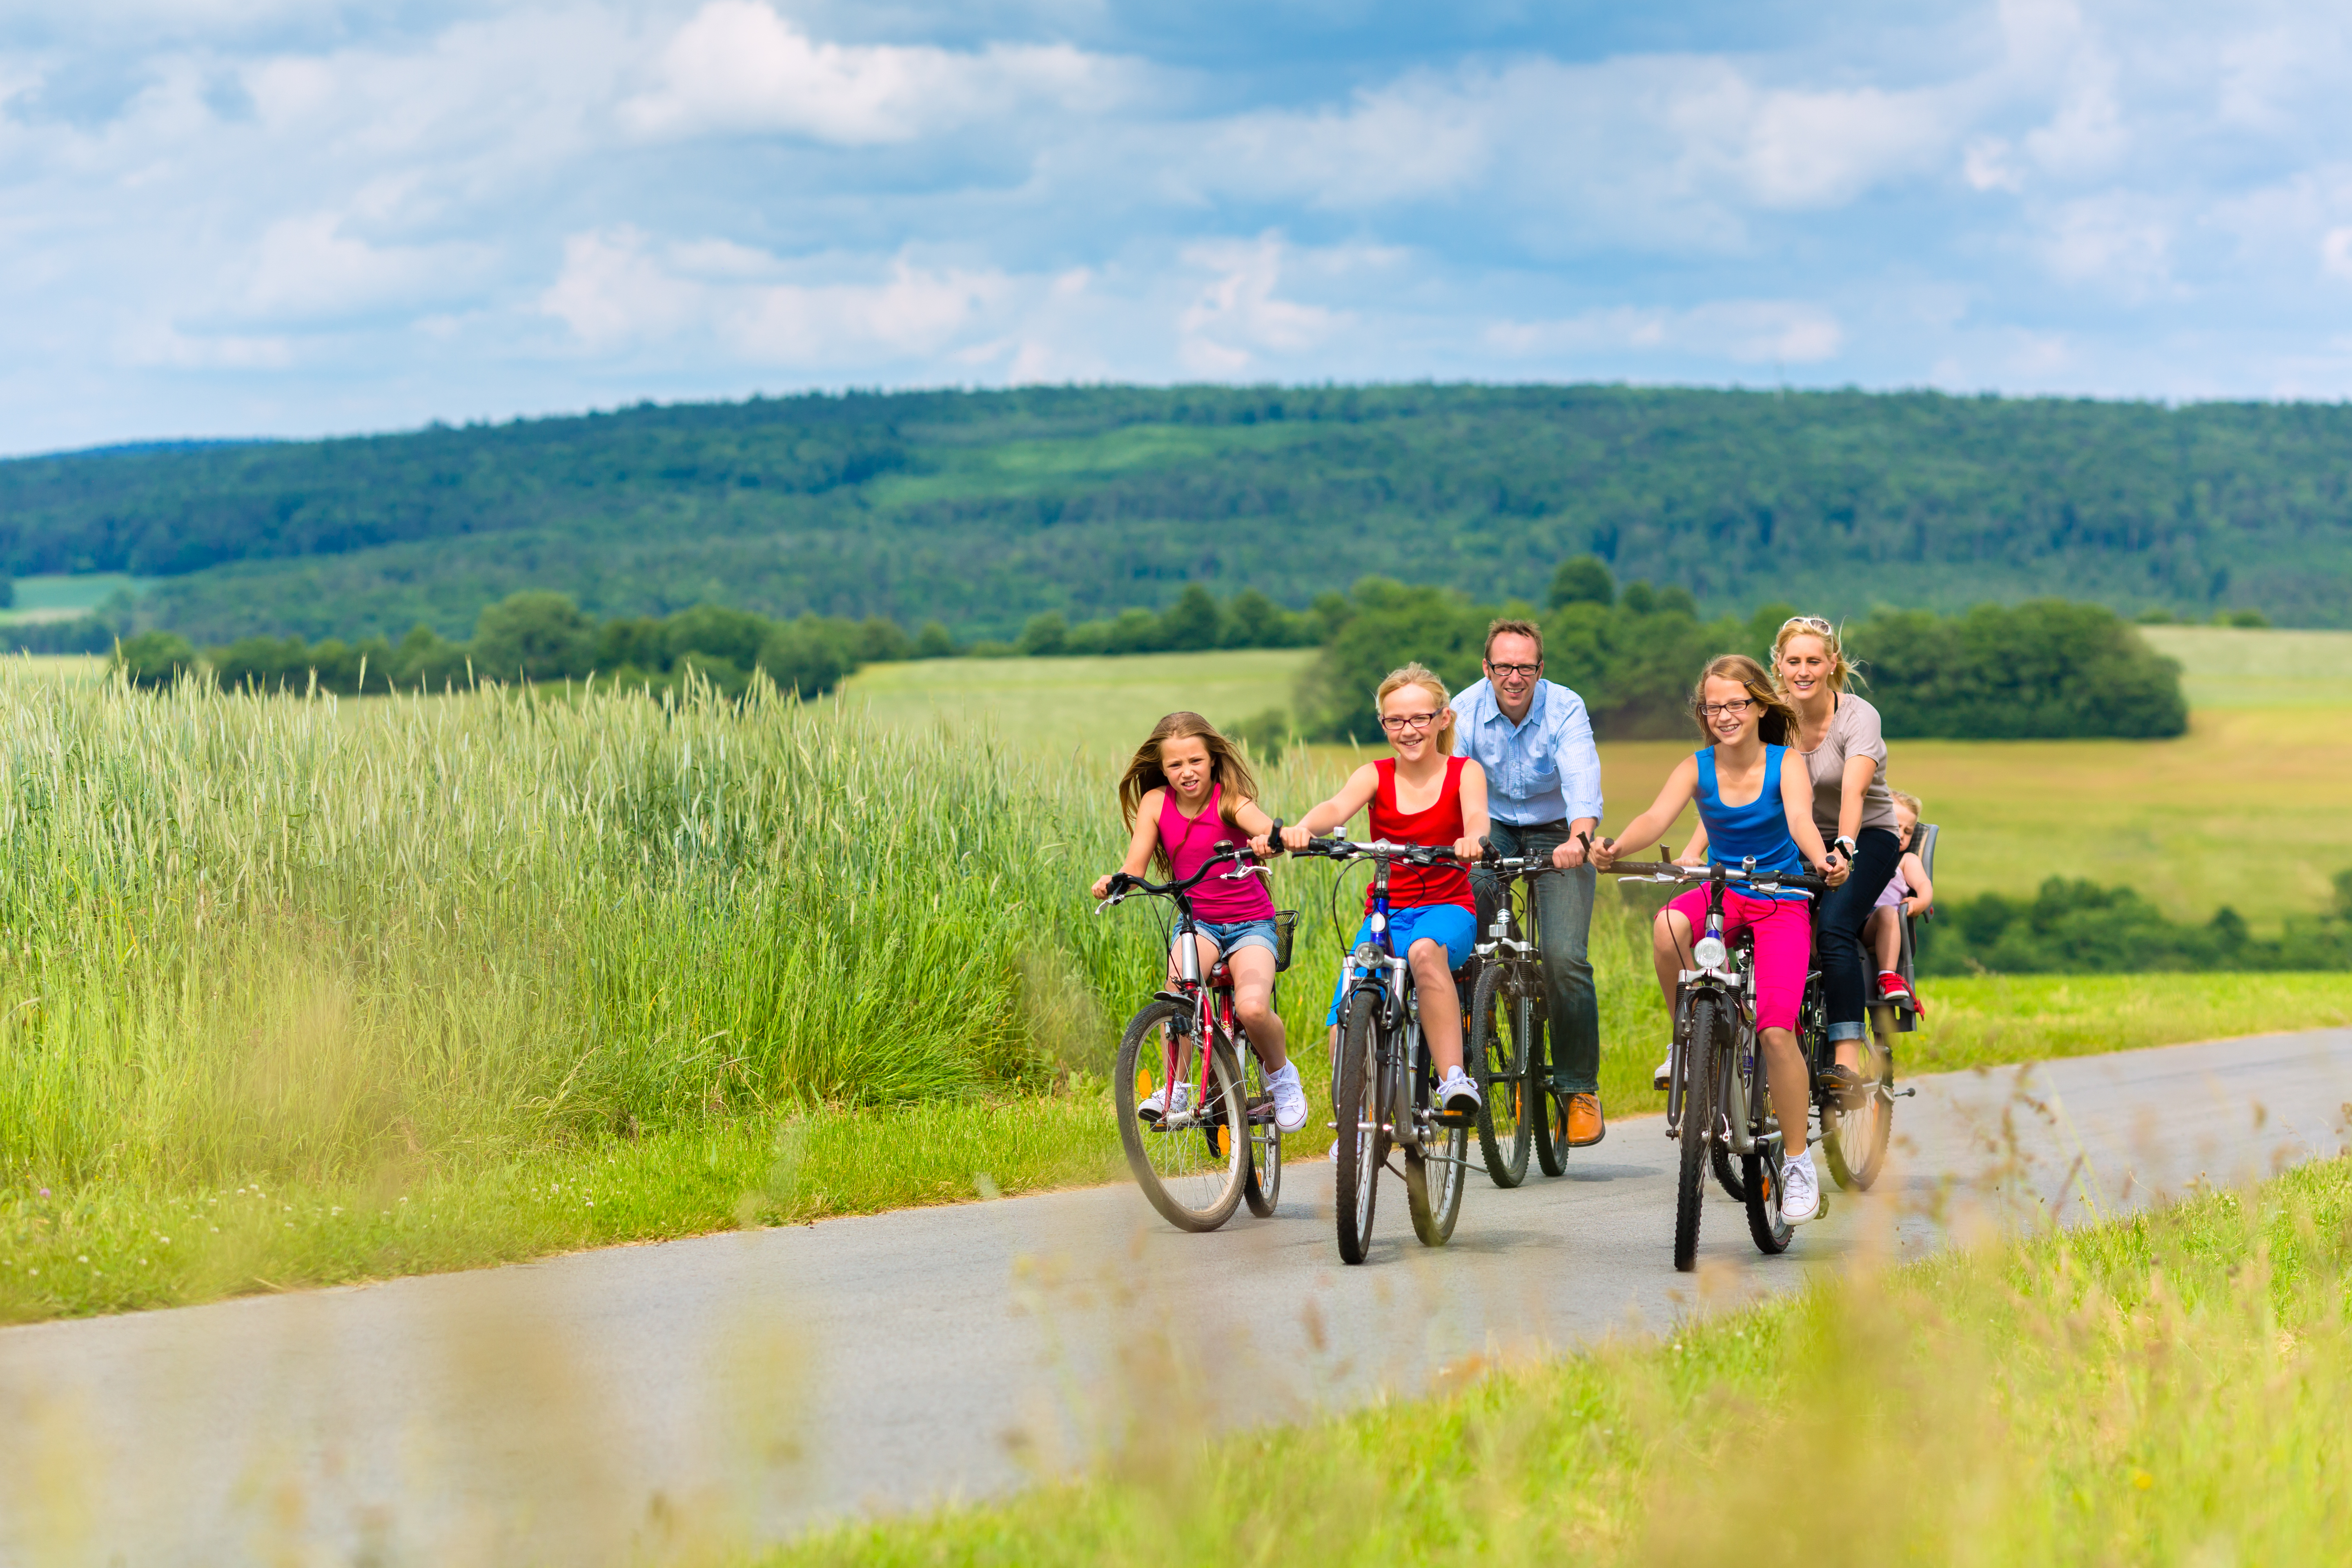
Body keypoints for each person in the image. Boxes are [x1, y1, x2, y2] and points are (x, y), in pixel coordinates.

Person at [1593, 654, 1848, 1225]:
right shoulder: (1696, 767)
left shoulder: (1786, 764)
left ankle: (1800, 1164)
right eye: (1714, 707)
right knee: (1667, 926)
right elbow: (1657, 819)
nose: (1725, 715)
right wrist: (1615, 849)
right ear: (1702, 713)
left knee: (1777, 1033)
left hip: (1781, 899)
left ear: (1759, 706)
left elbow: (1804, 822)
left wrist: (1823, 861)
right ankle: (1686, 1039)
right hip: (1723, 895)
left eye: (1737, 704)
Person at [1262, 663, 1491, 1115]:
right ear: (1384, 724)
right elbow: (1336, 806)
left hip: (1448, 909)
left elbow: (1478, 818)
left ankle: (1453, 1079)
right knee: (1347, 1006)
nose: (1408, 730)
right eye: (1395, 721)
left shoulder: (1465, 772)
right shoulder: (1376, 774)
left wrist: (1472, 841)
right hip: (1388, 914)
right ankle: (1354, 1125)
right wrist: (1303, 829)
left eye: (1419, 718)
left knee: (1427, 954)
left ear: (1443, 719)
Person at [1092, 711, 1308, 1134]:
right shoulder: (1156, 803)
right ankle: (1177, 1087)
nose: (1187, 772)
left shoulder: (1231, 800)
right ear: (1163, 768)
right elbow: (1134, 865)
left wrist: (1269, 841)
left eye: (1195, 761)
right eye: (1175, 765)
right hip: (1199, 924)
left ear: (1212, 760)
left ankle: (1282, 1076)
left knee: (1251, 1007)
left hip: (1250, 924)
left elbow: (1264, 830)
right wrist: (1115, 882)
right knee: (1177, 996)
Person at [1452, 617, 1609, 1145]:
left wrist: (1580, 839)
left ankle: (1578, 1088)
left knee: (1565, 955)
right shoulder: (1465, 708)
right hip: (1490, 822)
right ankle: (1481, 1025)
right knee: (1466, 900)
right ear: (1486, 668)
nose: (1513, 677)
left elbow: (1583, 780)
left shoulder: (1565, 708)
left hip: (1557, 826)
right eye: (1503, 667)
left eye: (1524, 667)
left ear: (1540, 670)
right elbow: (1452, 779)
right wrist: (1462, 839)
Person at [1863, 790, 1934, 1009]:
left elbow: (1924, 885)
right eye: (1895, 825)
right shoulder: (1861, 849)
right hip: (1846, 916)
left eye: (1908, 831)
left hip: (1876, 926)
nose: (1902, 834)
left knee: (1886, 913)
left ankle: (1887, 977)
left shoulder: (1906, 860)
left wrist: (1921, 902)